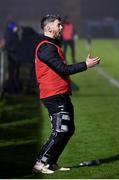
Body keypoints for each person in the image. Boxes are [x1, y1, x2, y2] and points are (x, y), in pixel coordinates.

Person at [33, 14, 101, 174]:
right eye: (58, 25)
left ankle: (51, 162)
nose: (62, 27)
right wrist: (85, 65)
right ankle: (39, 163)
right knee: (60, 130)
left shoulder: (53, 44)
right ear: (49, 28)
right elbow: (62, 70)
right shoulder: (45, 47)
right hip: (52, 94)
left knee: (68, 129)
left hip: (60, 93)